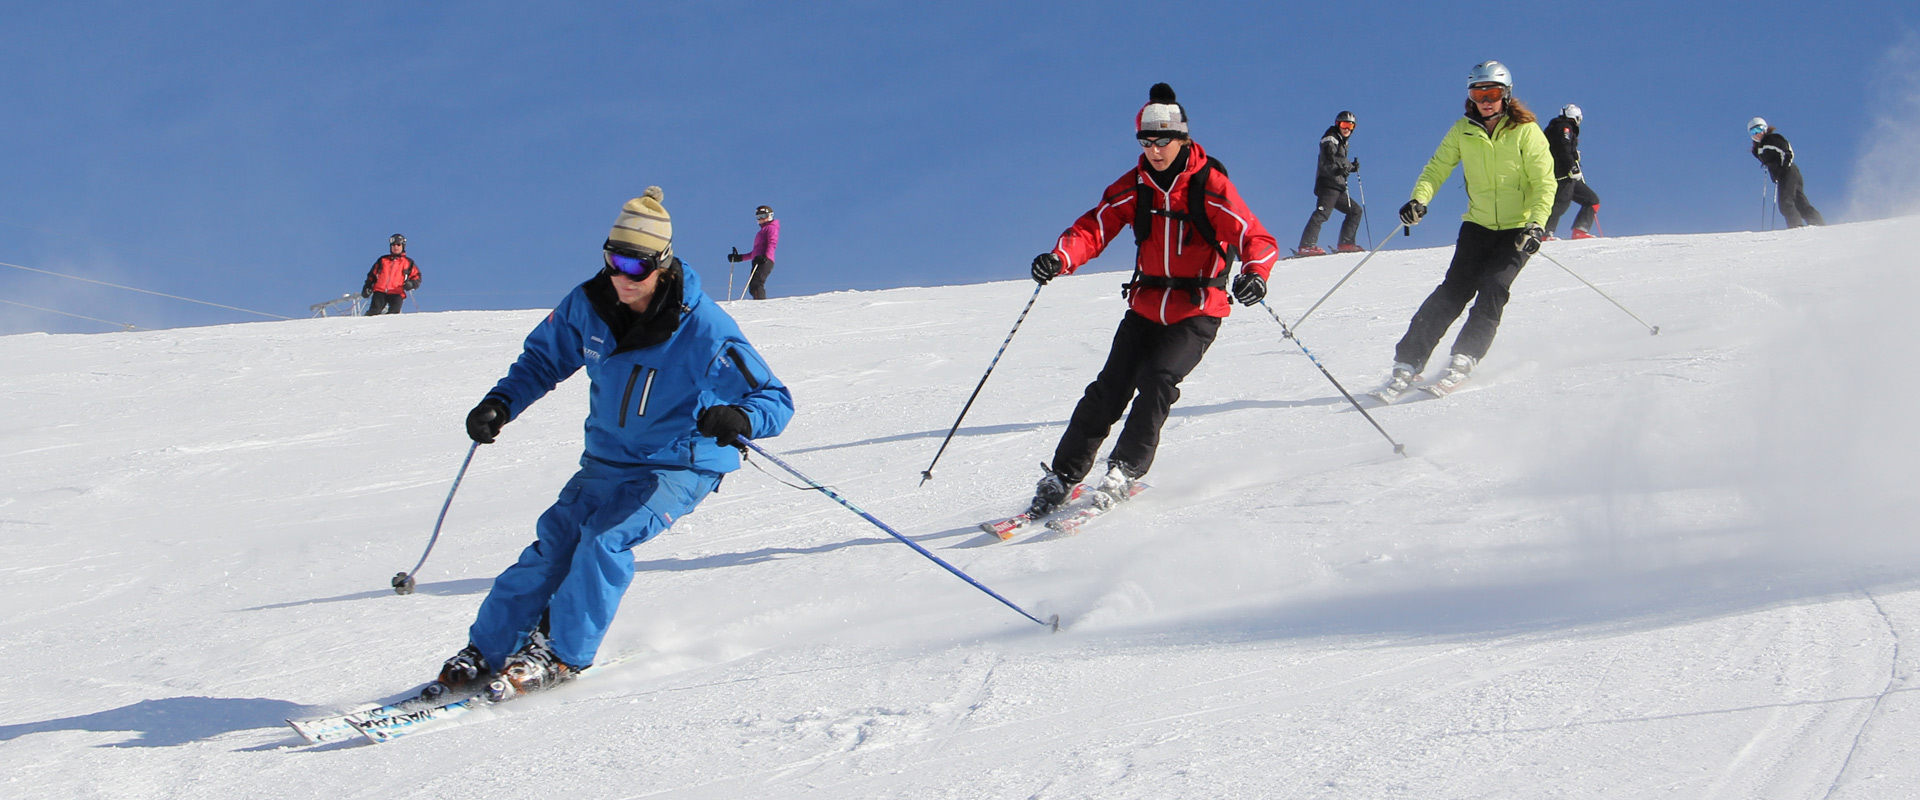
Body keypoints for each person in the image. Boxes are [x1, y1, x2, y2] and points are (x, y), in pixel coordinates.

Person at [434, 186, 795, 701]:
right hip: (608, 459)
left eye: (635, 265)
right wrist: (501, 402)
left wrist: (740, 415)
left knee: (603, 540)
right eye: (613, 259)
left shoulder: (703, 328)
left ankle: (563, 652)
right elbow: (542, 360)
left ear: (661, 264)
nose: (621, 276)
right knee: (555, 544)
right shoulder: (590, 304)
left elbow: (775, 398)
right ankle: (487, 649)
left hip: (678, 463)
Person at [1025, 83, 1280, 513]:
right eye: (1146, 141)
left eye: (1163, 141)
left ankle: (1123, 470)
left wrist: (1255, 273)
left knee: (1159, 380)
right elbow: (1094, 227)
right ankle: (1062, 475)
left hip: (1197, 309)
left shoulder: (1209, 186)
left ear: (1182, 139)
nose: (1155, 150)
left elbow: (1255, 237)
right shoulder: (1135, 186)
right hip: (1145, 308)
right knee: (1108, 389)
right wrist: (1060, 257)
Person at [1376, 61, 1555, 401]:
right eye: (1478, 93)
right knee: (1453, 290)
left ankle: (1465, 356)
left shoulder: (1526, 131)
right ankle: (1408, 362)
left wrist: (1536, 224)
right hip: (1478, 225)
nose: (1485, 100)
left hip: (1518, 230)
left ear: (1507, 94)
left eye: (1493, 93)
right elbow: (1437, 168)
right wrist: (1419, 199)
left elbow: (1544, 182)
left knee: (1495, 287)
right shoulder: (1463, 130)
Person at [1295, 110, 1364, 257]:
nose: (1347, 128)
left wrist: (1351, 167)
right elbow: (1328, 159)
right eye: (1344, 124)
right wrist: (1337, 170)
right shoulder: (1330, 139)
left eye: (1350, 126)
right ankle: (1306, 245)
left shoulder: (1342, 142)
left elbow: (1341, 160)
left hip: (1337, 186)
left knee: (1355, 211)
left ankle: (1346, 243)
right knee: (1322, 213)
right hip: (1328, 184)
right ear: (1337, 124)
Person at [1749, 117, 1825, 228]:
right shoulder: (1758, 149)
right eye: (1753, 131)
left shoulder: (1772, 139)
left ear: (1765, 128)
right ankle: (1817, 223)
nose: (1757, 133)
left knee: (1786, 203)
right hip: (1786, 174)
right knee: (1800, 203)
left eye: (1759, 129)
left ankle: (1796, 227)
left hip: (1788, 171)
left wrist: (1782, 169)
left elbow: (1787, 152)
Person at [1542, 104, 1601, 239]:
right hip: (1562, 173)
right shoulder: (1564, 127)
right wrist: (1572, 167)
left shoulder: (1560, 128)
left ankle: (1580, 230)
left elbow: (1566, 148)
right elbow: (1563, 147)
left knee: (1592, 200)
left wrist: (1574, 160)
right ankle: (1545, 233)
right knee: (1561, 202)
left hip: (1570, 175)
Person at [726, 205, 780, 300]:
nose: (761, 219)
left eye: (763, 216)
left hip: (765, 260)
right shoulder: (762, 231)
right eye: (758, 217)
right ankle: (759, 303)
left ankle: (761, 304)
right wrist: (739, 258)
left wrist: (766, 256)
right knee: (753, 286)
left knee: (756, 284)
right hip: (759, 259)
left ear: (770, 216)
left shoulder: (771, 228)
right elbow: (755, 253)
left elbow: (772, 243)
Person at [361, 234, 421, 315]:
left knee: (393, 315)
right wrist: (367, 287)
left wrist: (411, 284)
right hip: (380, 291)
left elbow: (416, 276)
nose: (396, 247)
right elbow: (372, 275)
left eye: (398, 245)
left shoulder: (408, 262)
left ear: (403, 246)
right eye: (393, 245)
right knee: (374, 313)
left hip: (396, 292)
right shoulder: (383, 260)